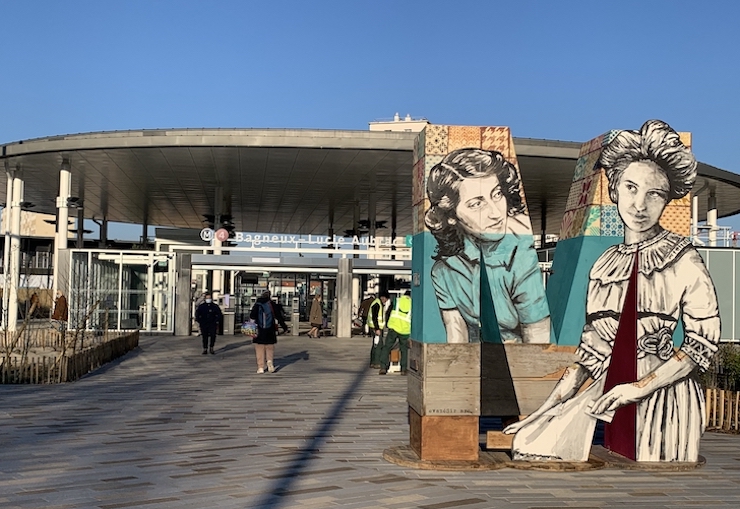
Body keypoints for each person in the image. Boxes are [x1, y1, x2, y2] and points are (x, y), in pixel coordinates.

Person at [504, 120, 721, 463]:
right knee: (534, 443)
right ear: (615, 189)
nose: (640, 205)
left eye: (655, 194)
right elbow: (589, 352)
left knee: (660, 483)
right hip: (609, 393)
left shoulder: (684, 258)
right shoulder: (604, 264)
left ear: (667, 200)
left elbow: (700, 343)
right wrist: (540, 412)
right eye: (631, 188)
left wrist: (637, 388)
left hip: (664, 401)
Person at [425, 148, 550, 344]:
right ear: (450, 215)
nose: (495, 212)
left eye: (497, 194)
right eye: (477, 204)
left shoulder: (521, 255)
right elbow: (456, 337)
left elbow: (539, 341)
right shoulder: (443, 271)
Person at [379, 290, 412, 375]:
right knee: (404, 350)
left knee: (387, 347)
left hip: (393, 327)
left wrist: (387, 324)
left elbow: (388, 312)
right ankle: (403, 369)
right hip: (405, 330)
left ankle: (383, 367)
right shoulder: (413, 304)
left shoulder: (397, 300)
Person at [250, 290, 278, 373]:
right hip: (270, 330)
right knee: (269, 348)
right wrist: (284, 327)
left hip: (259, 330)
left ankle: (260, 367)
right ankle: (269, 361)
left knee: (259, 348)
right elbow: (278, 316)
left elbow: (252, 316)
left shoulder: (257, 305)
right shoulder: (272, 305)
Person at [367, 291, 391, 369]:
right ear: (383, 297)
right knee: (379, 345)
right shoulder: (377, 304)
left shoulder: (378, 303)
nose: (386, 301)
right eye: (386, 299)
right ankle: (376, 362)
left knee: (375, 344)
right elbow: (375, 317)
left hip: (375, 327)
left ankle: (373, 362)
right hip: (376, 328)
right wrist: (377, 328)